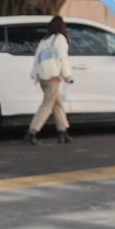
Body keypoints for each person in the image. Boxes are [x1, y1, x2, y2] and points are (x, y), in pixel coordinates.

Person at [24, 16, 73, 145]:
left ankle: (63, 133)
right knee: (47, 105)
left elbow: (36, 59)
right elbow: (63, 58)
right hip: (53, 77)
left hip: (43, 78)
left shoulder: (44, 40)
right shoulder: (60, 39)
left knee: (57, 104)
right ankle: (32, 132)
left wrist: (35, 75)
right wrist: (67, 74)